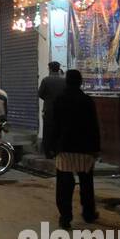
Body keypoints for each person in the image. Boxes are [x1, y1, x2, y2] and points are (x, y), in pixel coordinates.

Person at [46, 69, 102, 230]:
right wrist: (96, 147)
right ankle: (88, 213)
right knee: (86, 182)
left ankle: (65, 217)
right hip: (85, 148)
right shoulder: (87, 101)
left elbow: (53, 125)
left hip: (65, 148)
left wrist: (50, 146)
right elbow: (93, 125)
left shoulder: (59, 100)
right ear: (80, 82)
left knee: (64, 185)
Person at [36, 61, 67, 156]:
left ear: (50, 69)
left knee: (47, 131)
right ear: (58, 69)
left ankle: (48, 152)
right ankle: (57, 151)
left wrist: (48, 99)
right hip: (61, 110)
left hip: (49, 110)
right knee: (59, 130)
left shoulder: (46, 80)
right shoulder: (64, 81)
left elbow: (40, 94)